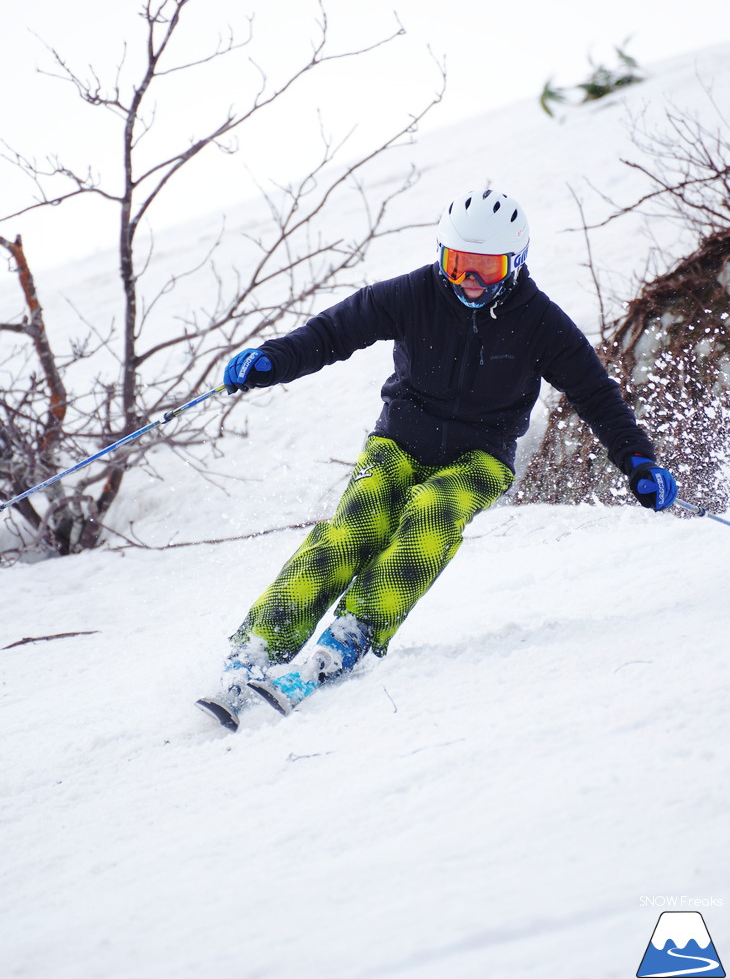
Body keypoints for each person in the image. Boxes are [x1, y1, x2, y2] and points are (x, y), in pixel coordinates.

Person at [208, 187, 677, 721]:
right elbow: (336, 331)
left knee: (433, 511)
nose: (470, 282)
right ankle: (260, 645)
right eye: (458, 266)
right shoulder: (416, 294)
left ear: (516, 264)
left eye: (486, 268)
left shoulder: (540, 322)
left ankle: (352, 634)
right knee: (353, 527)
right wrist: (272, 360)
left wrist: (638, 461)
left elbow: (596, 395)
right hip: (400, 442)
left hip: (480, 458)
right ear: (442, 257)